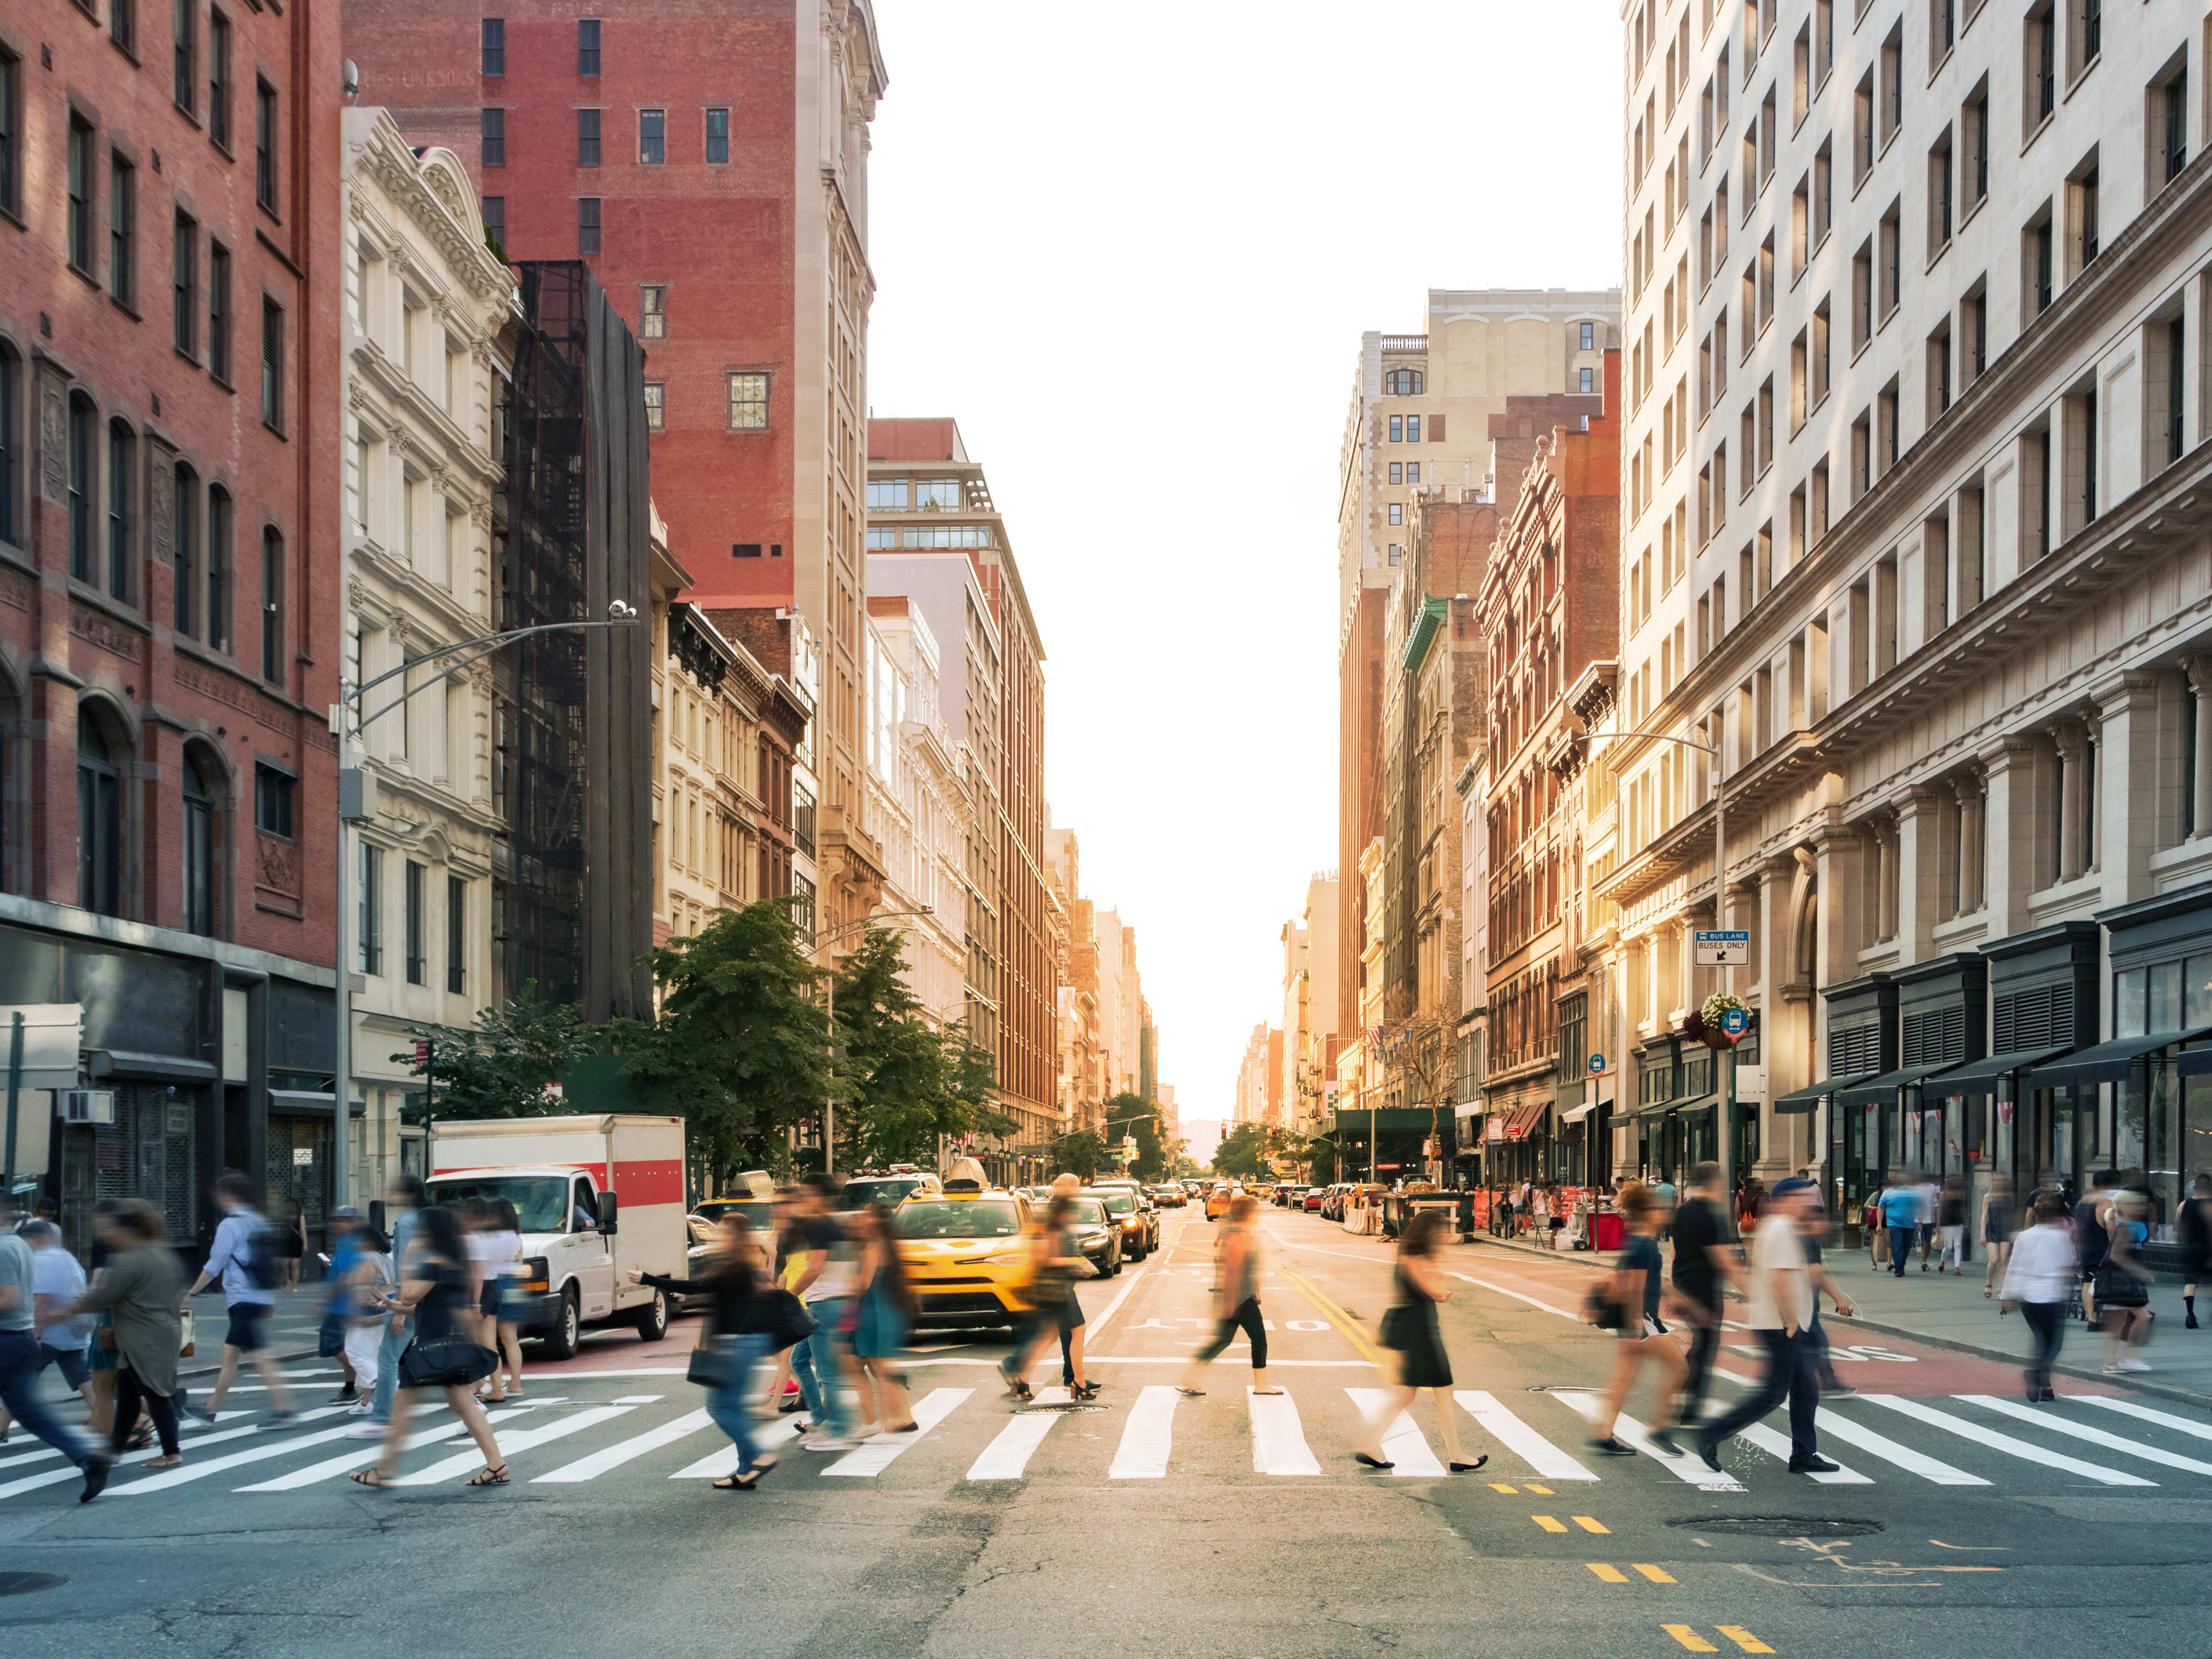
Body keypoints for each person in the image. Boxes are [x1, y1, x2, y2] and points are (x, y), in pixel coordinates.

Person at [350, 1204, 505, 1488]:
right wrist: (392, 1305)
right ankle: (496, 1465)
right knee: (465, 1406)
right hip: (450, 1345)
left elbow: (410, 1295)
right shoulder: (452, 1261)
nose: (416, 1234)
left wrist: (408, 1257)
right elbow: (426, 1308)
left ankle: (385, 1471)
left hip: (433, 1350)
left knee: (401, 1410)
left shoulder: (434, 1262)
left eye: (421, 1229)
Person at [1693, 1177, 1838, 1476]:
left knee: (1806, 1389)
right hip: (1781, 1324)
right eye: (1799, 1197)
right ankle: (1712, 1433)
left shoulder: (1781, 1228)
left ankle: (1804, 1455)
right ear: (1784, 1201)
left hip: (1781, 1322)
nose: (1805, 1203)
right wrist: (1792, 1318)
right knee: (1773, 1393)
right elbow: (1779, 1277)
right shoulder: (1782, 1229)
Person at [632, 1214, 779, 1489]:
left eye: (723, 1233)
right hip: (745, 1343)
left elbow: (694, 1287)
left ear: (735, 1238)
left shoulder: (735, 1268)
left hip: (739, 1345)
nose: (718, 1237)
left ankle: (759, 1454)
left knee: (719, 1407)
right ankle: (746, 1471)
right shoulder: (741, 1266)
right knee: (733, 1407)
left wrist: (648, 1279)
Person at [1352, 1211, 1484, 1472]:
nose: (1441, 1237)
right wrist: (1440, 1263)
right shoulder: (1416, 1257)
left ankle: (1370, 1444)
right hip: (1419, 1332)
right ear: (1429, 1233)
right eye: (1438, 1232)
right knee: (1443, 1391)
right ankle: (1456, 1454)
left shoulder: (1408, 1255)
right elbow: (1436, 1292)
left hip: (1416, 1329)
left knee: (1406, 1395)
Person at [0, 1195, 113, 1499]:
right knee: (31, 1412)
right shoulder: (21, 1248)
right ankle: (89, 1459)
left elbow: (9, 1298)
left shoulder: (5, 1248)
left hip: (8, 1338)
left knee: (31, 1409)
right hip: (20, 1338)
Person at [69, 1199, 187, 1479]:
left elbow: (104, 1297)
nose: (109, 1235)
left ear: (129, 1231)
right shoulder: (162, 1254)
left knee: (155, 1395)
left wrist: (65, 1309)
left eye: (114, 1229)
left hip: (143, 1338)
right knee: (129, 1394)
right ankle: (115, 1449)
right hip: (157, 1334)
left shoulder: (135, 1259)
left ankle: (171, 1452)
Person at [179, 1173, 297, 1425]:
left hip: (243, 1298)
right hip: (255, 1297)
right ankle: (210, 1409)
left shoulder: (230, 1226)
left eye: (221, 1195)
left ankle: (285, 1409)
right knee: (231, 1355)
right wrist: (268, 1300)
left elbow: (215, 1264)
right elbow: (268, 1264)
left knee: (259, 1356)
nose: (218, 1200)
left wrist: (192, 1292)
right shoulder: (259, 1221)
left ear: (229, 1196)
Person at [1585, 1181, 1692, 1457]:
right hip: (1643, 1321)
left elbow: (1648, 1280)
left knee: (1623, 1380)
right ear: (1650, 1212)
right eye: (1661, 1209)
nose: (1665, 1214)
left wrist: (1675, 1297)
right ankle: (1660, 1428)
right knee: (1680, 1369)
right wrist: (1635, 1331)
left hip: (1636, 1323)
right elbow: (1635, 1288)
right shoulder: (1643, 1246)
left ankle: (1602, 1434)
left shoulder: (1639, 1242)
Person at [0, 1221, 99, 1444]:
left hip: (48, 1334)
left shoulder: (43, 1259)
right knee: (83, 1378)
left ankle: (1, 1428)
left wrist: (35, 1334)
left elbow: (42, 1301)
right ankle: (105, 1418)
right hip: (72, 1332)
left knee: (17, 1382)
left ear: (36, 1239)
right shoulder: (67, 1257)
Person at [1177, 1195, 1279, 1397]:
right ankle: (1261, 1385)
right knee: (1259, 1339)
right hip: (1239, 1299)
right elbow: (1232, 1270)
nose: (1258, 1213)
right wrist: (1230, 1303)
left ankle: (1190, 1378)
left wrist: (1255, 1288)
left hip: (1240, 1297)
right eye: (1256, 1210)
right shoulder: (1238, 1237)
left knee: (1222, 1341)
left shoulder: (1242, 1234)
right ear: (1248, 1213)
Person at [787, 1171, 860, 1452]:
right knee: (799, 1361)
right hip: (833, 1302)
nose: (804, 1200)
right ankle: (821, 1421)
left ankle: (838, 1431)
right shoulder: (836, 1224)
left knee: (828, 1374)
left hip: (824, 1305)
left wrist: (789, 1294)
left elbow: (815, 1267)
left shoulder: (819, 1225)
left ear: (819, 1196)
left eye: (806, 1195)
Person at [999, 1193, 1094, 1402]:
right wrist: (1074, 1263)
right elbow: (1048, 1259)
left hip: (1048, 1290)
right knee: (1078, 1331)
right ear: (1063, 1212)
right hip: (1057, 1290)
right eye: (1071, 1212)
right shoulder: (1053, 1230)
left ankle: (1021, 1378)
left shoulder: (1047, 1227)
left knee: (1047, 1336)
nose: (1073, 1216)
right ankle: (1078, 1382)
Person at [1671, 1162, 1746, 1425]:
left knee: (1700, 1344)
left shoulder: (1681, 1212)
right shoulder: (1710, 1215)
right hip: (1703, 1290)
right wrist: (1752, 1292)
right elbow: (1722, 1261)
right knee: (1706, 1349)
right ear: (1714, 1182)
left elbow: (1674, 1253)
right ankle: (1690, 1410)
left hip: (1683, 1286)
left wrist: (1675, 1289)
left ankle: (1677, 1387)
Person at [353, 1175, 425, 1440]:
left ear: (407, 1195)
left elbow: (407, 1265)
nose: (390, 1194)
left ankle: (382, 1416)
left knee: (387, 1358)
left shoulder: (407, 1222)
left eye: (395, 1191)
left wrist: (399, 1307)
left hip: (410, 1295)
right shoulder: (426, 1217)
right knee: (434, 1352)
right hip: (428, 1293)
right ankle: (473, 1403)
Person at [2001, 1194, 2077, 1400]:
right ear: (2057, 1215)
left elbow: (2014, 1266)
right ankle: (2035, 1372)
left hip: (2028, 1298)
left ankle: (2045, 1386)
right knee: (2054, 1344)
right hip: (2051, 1296)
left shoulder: (2024, 1237)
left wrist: (2007, 1295)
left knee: (2041, 1340)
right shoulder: (2061, 1237)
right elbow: (2069, 1265)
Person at [850, 1202, 918, 1435]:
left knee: (881, 1367)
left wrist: (840, 1288)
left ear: (879, 1221)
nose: (862, 1218)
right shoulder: (884, 1245)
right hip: (883, 1310)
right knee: (868, 1366)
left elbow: (862, 1286)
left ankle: (896, 1420)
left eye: (867, 1215)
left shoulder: (873, 1247)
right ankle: (897, 1418)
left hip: (874, 1312)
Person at [469, 1199, 525, 1404]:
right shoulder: (516, 1237)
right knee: (511, 1339)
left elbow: (481, 1265)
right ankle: (516, 1384)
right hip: (515, 1284)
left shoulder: (491, 1237)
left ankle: (490, 1382)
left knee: (487, 1341)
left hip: (495, 1282)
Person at [2097, 1189, 2155, 1374]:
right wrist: (2138, 1270)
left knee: (2118, 1322)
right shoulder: (2125, 1228)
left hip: (2118, 1282)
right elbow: (2115, 1255)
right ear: (2122, 1207)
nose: (2138, 1207)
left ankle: (2112, 1362)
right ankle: (2129, 1358)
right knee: (2143, 1317)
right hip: (2122, 1282)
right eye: (2133, 1204)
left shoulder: (2127, 1226)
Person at [338, 1222, 393, 1418]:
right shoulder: (383, 1256)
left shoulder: (366, 1259)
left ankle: (386, 1385)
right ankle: (366, 1401)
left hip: (364, 1315)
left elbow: (363, 1289)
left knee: (355, 1354)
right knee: (369, 1355)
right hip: (381, 1314)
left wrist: (354, 1310)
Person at [1801, 1206, 1858, 1395]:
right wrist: (1839, 1300)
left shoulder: (1807, 1240)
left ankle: (1825, 1382)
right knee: (1818, 1343)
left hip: (1803, 1304)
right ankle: (1827, 1383)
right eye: (1821, 1221)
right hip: (1803, 1305)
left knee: (1814, 1345)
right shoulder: (1808, 1241)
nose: (1825, 1226)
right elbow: (1816, 1273)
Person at [321, 1207, 367, 1404]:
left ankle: (372, 1378)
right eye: (337, 1220)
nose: (338, 1224)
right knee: (347, 1348)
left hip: (342, 1306)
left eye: (344, 1220)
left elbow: (347, 1279)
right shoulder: (349, 1242)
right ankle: (350, 1389)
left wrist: (323, 1301)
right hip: (347, 1305)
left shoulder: (350, 1242)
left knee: (331, 1345)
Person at [2074, 1170, 2118, 1327]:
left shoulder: (2082, 1202)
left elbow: (2077, 1227)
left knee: (2087, 1283)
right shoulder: (2107, 1204)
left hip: (2086, 1248)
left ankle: (2091, 1319)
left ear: (2093, 1184)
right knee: (2107, 1282)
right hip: (2103, 1249)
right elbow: (2111, 1229)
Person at [2178, 1174, 2212, 1330]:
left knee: (2190, 1283)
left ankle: (2190, 1314)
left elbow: (2179, 1226)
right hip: (2207, 1248)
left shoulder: (2184, 1205)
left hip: (2189, 1248)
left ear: (2195, 1187)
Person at [1980, 1174, 2017, 1308]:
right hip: (1992, 1229)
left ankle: (2000, 1287)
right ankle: (1989, 1281)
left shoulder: (2009, 1197)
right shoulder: (1988, 1197)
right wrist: (1982, 1234)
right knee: (1994, 1260)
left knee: (2003, 1260)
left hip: (2005, 1229)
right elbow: (1984, 1216)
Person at [1879, 1170, 1920, 1279]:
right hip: (1894, 1223)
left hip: (1910, 1224)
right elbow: (1881, 1208)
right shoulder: (1888, 1192)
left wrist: (1920, 1222)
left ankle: (1901, 1264)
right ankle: (1899, 1269)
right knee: (1897, 1245)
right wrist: (1879, 1224)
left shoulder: (1911, 1193)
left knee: (1907, 1246)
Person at [1937, 1175, 1968, 1275]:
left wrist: (1966, 1221)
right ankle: (1943, 1261)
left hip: (1958, 1221)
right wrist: (1938, 1224)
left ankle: (1957, 1269)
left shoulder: (1962, 1194)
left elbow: (1963, 1209)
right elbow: (1940, 1209)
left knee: (1958, 1245)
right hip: (1946, 1222)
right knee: (1949, 1246)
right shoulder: (1944, 1194)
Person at [277, 1198, 307, 1293]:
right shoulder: (284, 1217)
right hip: (286, 1242)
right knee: (284, 1264)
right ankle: (287, 1282)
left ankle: (295, 1285)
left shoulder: (300, 1217)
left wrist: (305, 1244)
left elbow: (303, 1231)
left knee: (295, 1265)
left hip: (296, 1242)